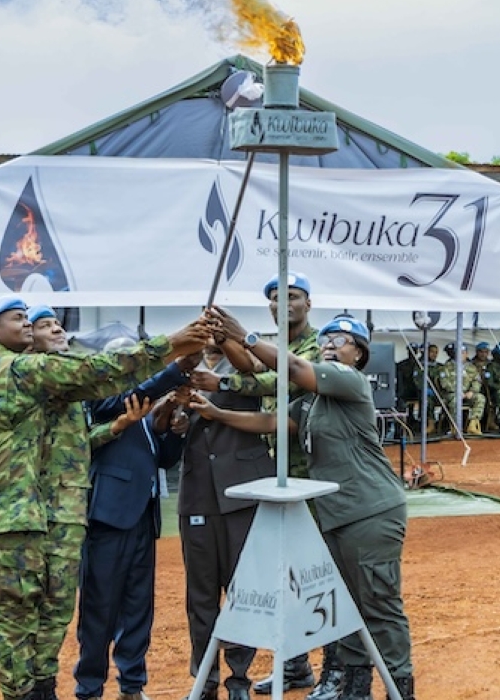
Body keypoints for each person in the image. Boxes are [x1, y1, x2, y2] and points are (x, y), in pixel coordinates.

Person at [0, 295, 209, 700]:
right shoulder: (23, 369)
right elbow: (99, 370)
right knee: (20, 617)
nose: (29, 327)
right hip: (16, 520)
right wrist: (171, 343)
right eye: (20, 320)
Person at [191, 310, 417, 700]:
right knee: (343, 605)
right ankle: (356, 687)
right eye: (326, 340)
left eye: (341, 341)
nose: (330, 346)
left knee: (378, 604)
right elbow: (272, 422)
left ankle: (402, 687)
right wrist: (217, 413)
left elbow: (294, 366)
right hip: (337, 515)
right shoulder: (313, 402)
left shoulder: (350, 381)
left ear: (359, 355)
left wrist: (246, 339)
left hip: (370, 512)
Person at [190, 272, 335, 700]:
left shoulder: (316, 345)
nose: (282, 303)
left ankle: (333, 668)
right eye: (275, 298)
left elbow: (279, 378)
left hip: (316, 471)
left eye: (292, 296)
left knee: (318, 571)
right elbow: (251, 366)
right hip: (281, 470)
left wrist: (230, 372)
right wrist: (225, 336)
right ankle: (295, 665)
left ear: (308, 302)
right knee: (283, 571)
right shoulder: (271, 341)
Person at [74, 339, 193, 700]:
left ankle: (132, 685)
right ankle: (90, 688)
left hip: (143, 516)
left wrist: (174, 431)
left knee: (139, 606)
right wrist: (175, 372)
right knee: (99, 607)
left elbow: (162, 460)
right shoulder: (103, 396)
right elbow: (129, 399)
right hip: (109, 516)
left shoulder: (146, 407)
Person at [178, 338, 276, 700]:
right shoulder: (180, 373)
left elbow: (250, 368)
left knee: (244, 591)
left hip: (244, 495)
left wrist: (226, 337)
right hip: (198, 496)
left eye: (215, 339)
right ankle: (204, 678)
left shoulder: (243, 371)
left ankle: (239, 679)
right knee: (201, 595)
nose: (209, 345)